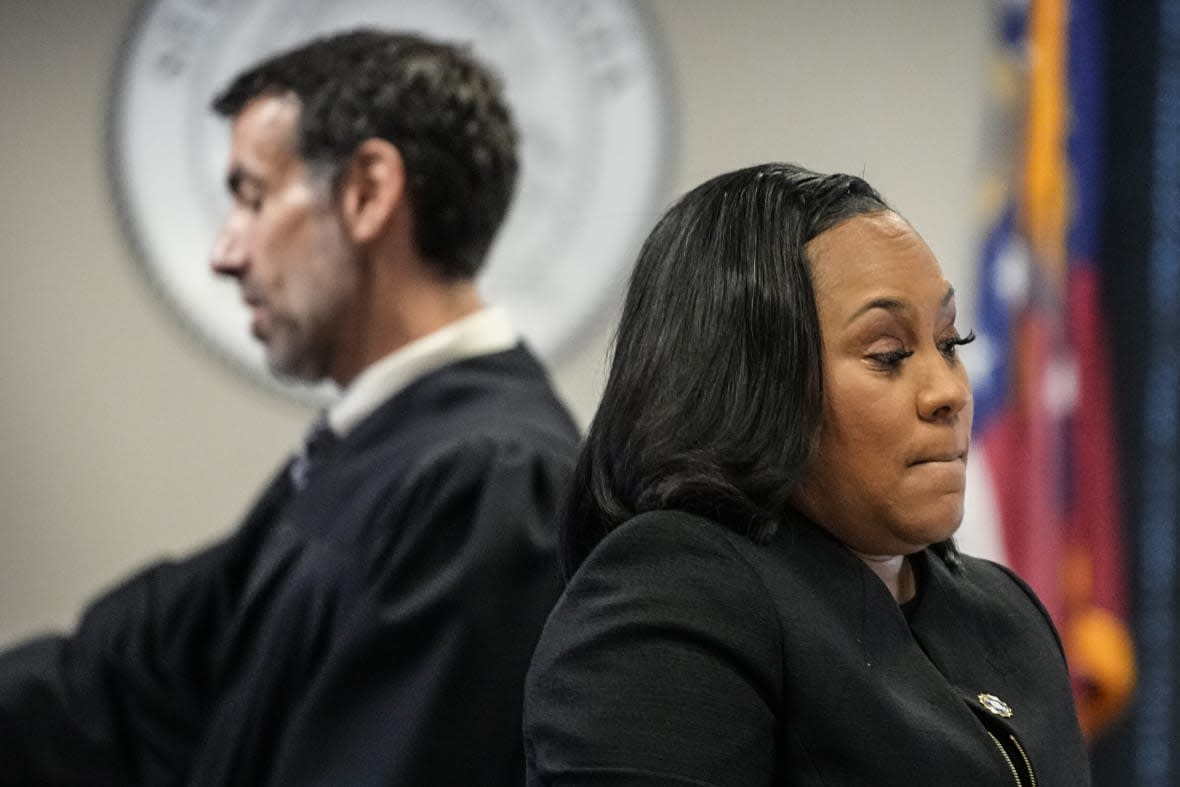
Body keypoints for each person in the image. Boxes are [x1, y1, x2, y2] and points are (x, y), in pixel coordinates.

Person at [0, 29, 580, 786]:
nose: (225, 252)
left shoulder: (487, 482)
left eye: (253, 196)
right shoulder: (377, 444)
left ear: (368, 193)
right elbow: (136, 671)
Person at [524, 162, 1090, 786]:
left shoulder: (1008, 614)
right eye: (889, 354)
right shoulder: (677, 593)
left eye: (951, 341)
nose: (948, 391)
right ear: (748, 385)